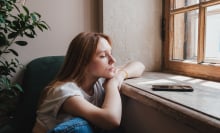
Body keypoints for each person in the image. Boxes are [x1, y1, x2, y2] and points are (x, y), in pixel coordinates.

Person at [32, 32, 145, 133]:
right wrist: (112, 85)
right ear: (83, 62)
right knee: (80, 126)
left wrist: (120, 75)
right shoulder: (65, 92)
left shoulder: (99, 77)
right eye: (103, 56)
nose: (113, 60)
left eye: (110, 53)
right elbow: (111, 120)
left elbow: (139, 65)